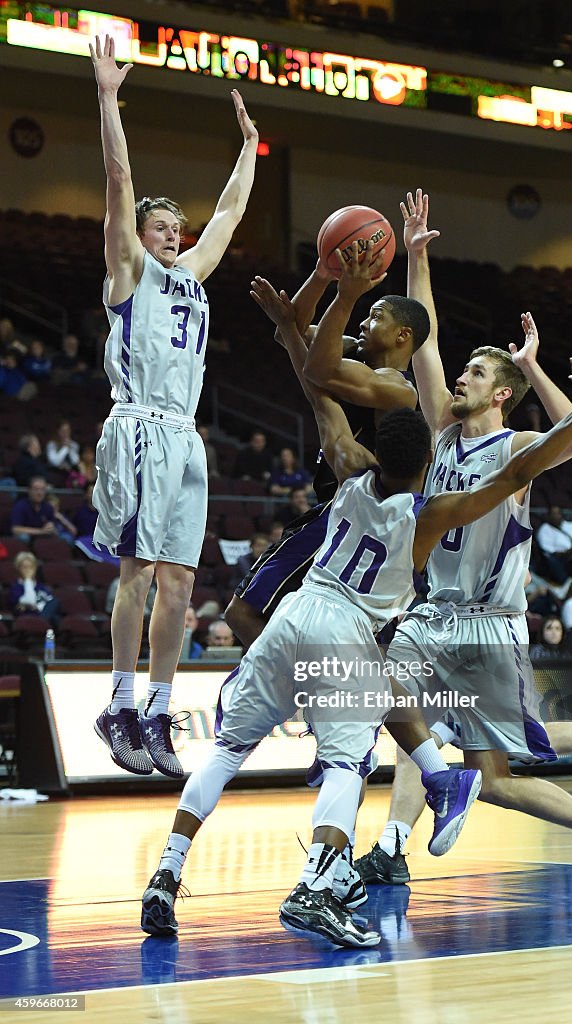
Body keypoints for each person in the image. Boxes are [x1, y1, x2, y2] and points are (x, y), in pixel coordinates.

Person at [140, 332, 572, 948]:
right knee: (345, 767)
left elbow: (324, 401)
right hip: (346, 630)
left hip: (295, 615)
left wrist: (291, 331)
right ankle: (316, 888)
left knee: (226, 751)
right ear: (427, 464)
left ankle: (166, 874)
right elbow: (516, 471)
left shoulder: (352, 475)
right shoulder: (430, 513)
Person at [355, 190, 572, 907]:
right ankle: (390, 849)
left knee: (498, 775)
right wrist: (418, 254)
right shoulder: (437, 430)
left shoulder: (517, 448)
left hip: (490, 627)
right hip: (433, 616)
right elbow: (422, 338)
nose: (458, 376)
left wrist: (534, 366)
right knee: (394, 704)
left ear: (500, 396)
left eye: (476, 373)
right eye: (460, 370)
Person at [88, 34, 258, 780]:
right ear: (138, 235)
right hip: (136, 428)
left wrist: (251, 146)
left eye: (174, 229)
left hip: (185, 438)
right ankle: (118, 702)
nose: (173, 233)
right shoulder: (129, 271)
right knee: (137, 572)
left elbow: (226, 215)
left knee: (181, 584)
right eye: (161, 226)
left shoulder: (192, 273)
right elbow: (119, 179)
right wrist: (105, 99)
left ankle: (158, 709)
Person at [226, 244, 425, 649]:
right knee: (347, 645)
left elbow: (316, 370)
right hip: (336, 507)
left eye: (376, 316)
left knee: (243, 613)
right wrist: (322, 274)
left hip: (353, 514)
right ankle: (326, 696)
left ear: (402, 335)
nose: (365, 323)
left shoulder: (397, 388)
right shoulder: (354, 351)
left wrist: (347, 296)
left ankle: (304, 690)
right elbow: (292, 330)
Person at [535, 505, 572, 594]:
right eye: (553, 514)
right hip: (557, 556)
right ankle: (565, 584)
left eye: (558, 513)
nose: (556, 516)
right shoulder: (544, 529)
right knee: (551, 560)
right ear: (548, 516)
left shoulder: (571, 525)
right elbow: (546, 548)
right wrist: (563, 553)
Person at [9, 552, 61, 629]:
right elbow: (29, 601)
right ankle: (42, 623)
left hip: (45, 616)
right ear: (18, 568)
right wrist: (28, 580)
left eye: (31, 567)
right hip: (28, 618)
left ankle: (44, 623)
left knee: (55, 605)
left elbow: (51, 604)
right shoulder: (16, 587)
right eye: (25, 567)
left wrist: (37, 607)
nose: (28, 570)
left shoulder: (41, 586)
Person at [10, 477, 58, 543]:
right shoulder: (20, 506)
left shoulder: (48, 507)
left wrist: (51, 528)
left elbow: (53, 527)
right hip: (27, 537)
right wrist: (41, 531)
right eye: (36, 489)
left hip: (42, 537)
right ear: (29, 491)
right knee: (23, 537)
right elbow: (15, 529)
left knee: (65, 537)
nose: (39, 493)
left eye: (42, 489)